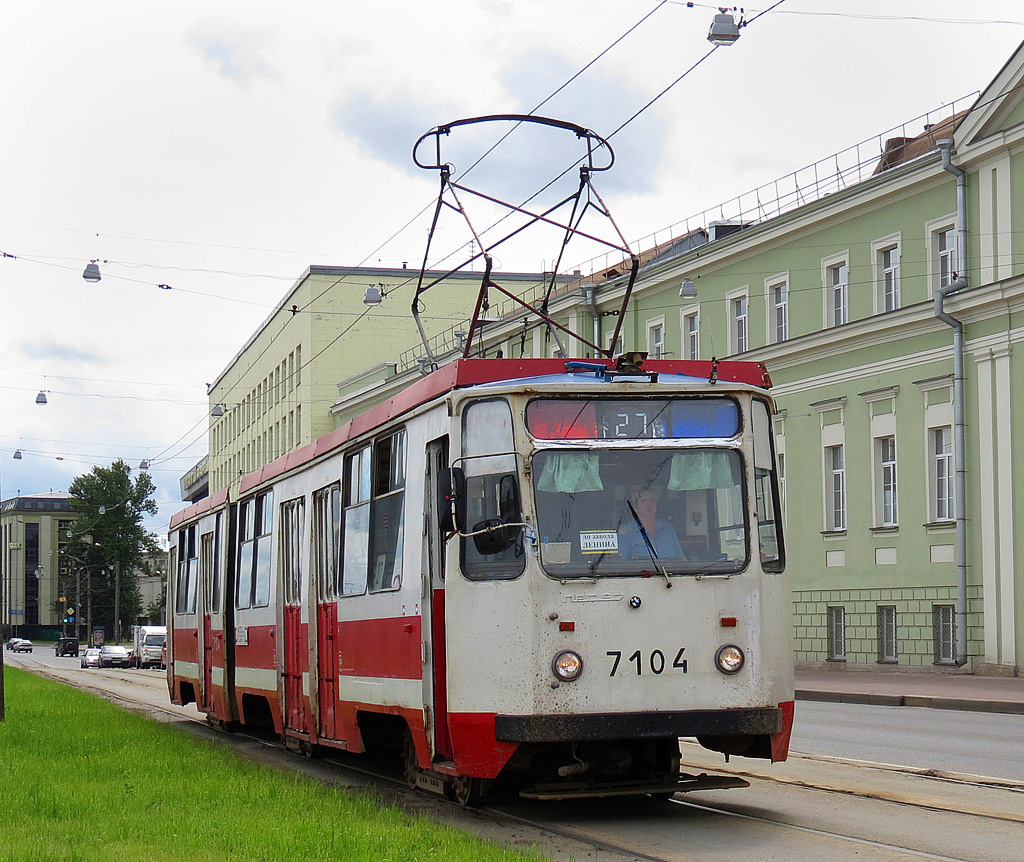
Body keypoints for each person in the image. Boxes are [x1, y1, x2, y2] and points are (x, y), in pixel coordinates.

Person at [617, 483, 683, 560]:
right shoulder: (625, 532)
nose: (649, 504)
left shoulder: (667, 528)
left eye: (652, 500)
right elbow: (621, 565)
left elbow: (681, 558)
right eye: (643, 500)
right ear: (635, 507)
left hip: (669, 572)